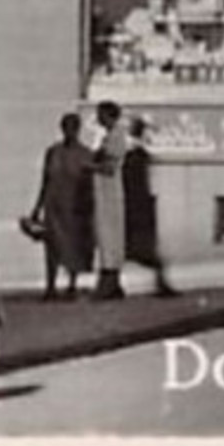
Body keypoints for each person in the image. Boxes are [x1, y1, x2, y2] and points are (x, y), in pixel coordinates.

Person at [27, 113, 94, 300]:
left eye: (73, 127)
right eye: (66, 127)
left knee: (73, 246)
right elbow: (45, 180)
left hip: (74, 206)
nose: (69, 131)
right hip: (54, 204)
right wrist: (37, 207)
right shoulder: (53, 152)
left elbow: (89, 185)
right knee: (52, 247)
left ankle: (72, 285)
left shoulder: (85, 154)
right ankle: (51, 286)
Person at [122, 116, 177, 297]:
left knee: (133, 248)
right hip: (138, 203)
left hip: (133, 204)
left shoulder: (132, 153)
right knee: (141, 248)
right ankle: (160, 282)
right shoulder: (138, 154)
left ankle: (160, 282)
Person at [89, 100, 129, 300]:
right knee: (107, 235)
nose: (98, 118)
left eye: (101, 114)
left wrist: (90, 167)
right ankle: (112, 283)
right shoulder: (108, 136)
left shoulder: (116, 136)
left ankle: (109, 281)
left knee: (109, 235)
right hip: (105, 191)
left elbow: (110, 167)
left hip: (109, 191)